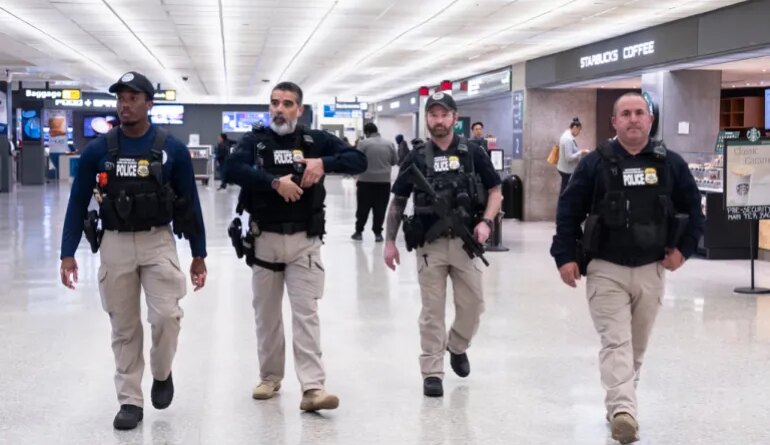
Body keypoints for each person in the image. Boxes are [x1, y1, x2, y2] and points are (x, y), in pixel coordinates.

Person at [550, 92, 704, 444]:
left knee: (636, 346)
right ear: (614, 122)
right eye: (626, 114)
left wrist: (684, 250)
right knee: (616, 342)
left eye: (640, 113)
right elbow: (568, 210)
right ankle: (624, 411)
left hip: (652, 268)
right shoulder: (595, 164)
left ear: (650, 120)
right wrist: (565, 256)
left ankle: (621, 403)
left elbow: (694, 210)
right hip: (606, 267)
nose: (633, 119)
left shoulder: (670, 163)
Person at [59, 71, 208, 430]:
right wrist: (67, 253)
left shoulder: (171, 149)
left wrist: (199, 254)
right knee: (124, 326)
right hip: (115, 243)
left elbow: (190, 202)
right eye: (120, 99)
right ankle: (130, 400)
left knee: (166, 317)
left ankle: (161, 372)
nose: (124, 105)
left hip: (158, 241)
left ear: (149, 103)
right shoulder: (100, 149)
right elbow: (78, 202)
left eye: (132, 98)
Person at [225, 81, 366, 412]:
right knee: (267, 317)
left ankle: (313, 388)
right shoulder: (256, 141)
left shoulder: (315, 140)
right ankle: (270, 378)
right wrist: (275, 183)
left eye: (288, 104)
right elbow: (231, 169)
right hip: (264, 241)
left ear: (299, 110)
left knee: (306, 315)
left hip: (305, 241)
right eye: (274, 102)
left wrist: (323, 163)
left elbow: (357, 160)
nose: (279, 109)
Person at [383, 92, 502, 397]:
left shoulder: (473, 152)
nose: (438, 120)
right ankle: (432, 370)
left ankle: (458, 345)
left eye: (443, 114)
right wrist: (389, 242)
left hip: (467, 243)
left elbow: (495, 191)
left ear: (453, 116)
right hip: (429, 244)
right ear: (427, 119)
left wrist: (485, 222)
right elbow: (398, 200)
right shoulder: (417, 155)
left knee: (473, 306)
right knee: (432, 311)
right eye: (433, 115)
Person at [351, 122, 398, 242]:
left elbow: (356, 160)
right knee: (380, 209)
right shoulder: (390, 144)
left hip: (365, 182)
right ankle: (378, 234)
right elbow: (394, 161)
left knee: (363, 208)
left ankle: (358, 232)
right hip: (384, 183)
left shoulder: (363, 143)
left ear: (367, 132)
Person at [557, 117, 588, 195]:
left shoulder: (567, 134)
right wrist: (580, 152)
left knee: (565, 190)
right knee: (566, 191)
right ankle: (563, 205)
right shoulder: (567, 139)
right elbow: (569, 157)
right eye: (579, 130)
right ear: (574, 128)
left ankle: (563, 204)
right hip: (567, 170)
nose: (579, 133)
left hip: (564, 168)